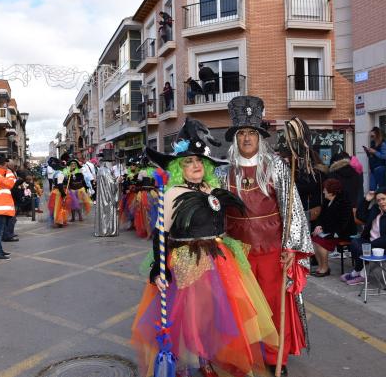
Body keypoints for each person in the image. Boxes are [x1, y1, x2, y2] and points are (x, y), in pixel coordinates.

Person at [132, 118, 277, 377]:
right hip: (187, 261)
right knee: (189, 317)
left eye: (199, 160)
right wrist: (158, 268)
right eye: (188, 161)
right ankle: (190, 361)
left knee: (216, 315)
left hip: (220, 259)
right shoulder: (172, 193)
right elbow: (160, 236)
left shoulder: (214, 187)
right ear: (179, 166)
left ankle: (207, 358)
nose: (196, 165)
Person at [222, 96, 313, 375]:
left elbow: (293, 212)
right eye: (242, 133)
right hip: (237, 254)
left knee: (274, 307)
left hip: (273, 252)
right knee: (241, 309)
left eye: (252, 133)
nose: (247, 138)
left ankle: (277, 358)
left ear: (260, 137)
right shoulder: (222, 171)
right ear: (235, 138)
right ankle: (244, 356)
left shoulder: (277, 167)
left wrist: (292, 249)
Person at [342, 188, 386, 285]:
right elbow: (360, 216)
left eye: (383, 199)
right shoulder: (376, 209)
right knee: (354, 243)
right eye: (378, 200)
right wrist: (366, 200)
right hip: (371, 243)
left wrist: (372, 244)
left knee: (362, 248)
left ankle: (357, 273)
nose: (381, 202)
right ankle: (361, 273)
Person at [311, 178, 356, 277]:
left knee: (320, 241)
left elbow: (342, 223)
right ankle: (320, 266)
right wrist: (318, 226)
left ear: (331, 192)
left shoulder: (344, 202)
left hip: (342, 232)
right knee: (314, 239)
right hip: (330, 230)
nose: (323, 191)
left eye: (325, 190)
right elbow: (321, 217)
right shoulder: (327, 201)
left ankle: (325, 268)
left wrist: (324, 230)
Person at [95, 152, 119, 237]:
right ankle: (108, 230)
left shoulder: (100, 170)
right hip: (107, 197)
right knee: (108, 211)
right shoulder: (106, 171)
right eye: (111, 162)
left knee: (103, 212)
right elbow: (111, 184)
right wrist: (117, 181)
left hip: (102, 196)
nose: (112, 164)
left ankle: (102, 230)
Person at [47, 157, 70, 228]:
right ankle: (58, 222)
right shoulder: (60, 174)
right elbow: (60, 185)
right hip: (58, 192)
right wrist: (63, 194)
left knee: (56, 207)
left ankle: (59, 221)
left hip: (55, 192)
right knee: (59, 208)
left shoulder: (56, 173)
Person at [365, 126, 386, 191]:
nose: (371, 138)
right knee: (372, 189)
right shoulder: (372, 143)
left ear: (377, 135)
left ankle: (382, 200)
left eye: (372, 136)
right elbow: (372, 157)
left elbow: (385, 156)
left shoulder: (382, 144)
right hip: (373, 169)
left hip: (380, 168)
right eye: (371, 136)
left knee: (381, 189)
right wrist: (368, 152)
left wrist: (375, 152)